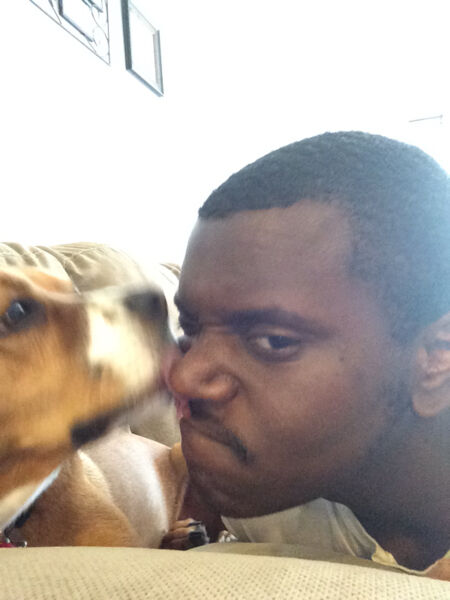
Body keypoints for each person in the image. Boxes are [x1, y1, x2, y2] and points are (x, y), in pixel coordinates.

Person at [167, 131, 450, 579]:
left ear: (436, 357)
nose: (183, 377)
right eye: (191, 328)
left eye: (274, 341)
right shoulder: (267, 498)